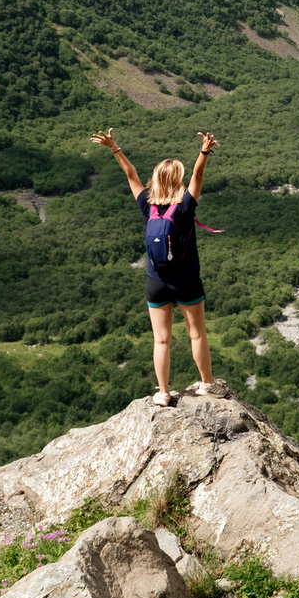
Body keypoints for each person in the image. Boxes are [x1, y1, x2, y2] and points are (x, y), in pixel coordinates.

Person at [95, 126, 220, 406]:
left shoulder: (146, 205)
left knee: (161, 341)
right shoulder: (185, 206)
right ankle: (207, 385)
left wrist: (114, 148)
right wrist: (204, 152)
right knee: (196, 333)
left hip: (156, 281)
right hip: (186, 280)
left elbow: (131, 175)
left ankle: (162, 393)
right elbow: (198, 175)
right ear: (179, 180)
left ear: (156, 180)